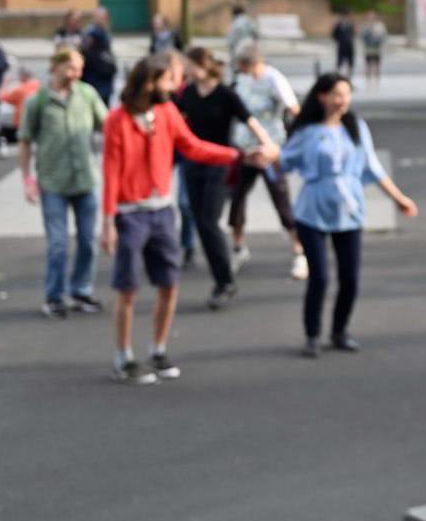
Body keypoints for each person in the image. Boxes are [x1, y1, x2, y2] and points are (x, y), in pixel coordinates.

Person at [100, 52, 271, 385]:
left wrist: (238, 155)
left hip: (162, 212)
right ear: (149, 82)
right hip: (131, 214)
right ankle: (124, 357)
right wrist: (107, 222)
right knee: (128, 288)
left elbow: (192, 146)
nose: (176, 86)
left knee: (169, 283)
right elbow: (110, 172)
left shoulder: (167, 113)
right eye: (168, 80)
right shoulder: (117, 120)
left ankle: (158, 350)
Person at [279, 72, 417, 357]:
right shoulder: (307, 131)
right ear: (322, 96)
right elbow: (284, 160)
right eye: (336, 94)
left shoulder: (355, 126)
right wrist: (264, 157)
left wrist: (399, 199)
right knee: (319, 278)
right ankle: (312, 334)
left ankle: (340, 330)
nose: (342, 100)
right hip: (313, 208)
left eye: (346, 94)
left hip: (348, 208)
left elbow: (373, 166)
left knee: (350, 278)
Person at [174, 47, 277, 309]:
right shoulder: (187, 93)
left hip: (220, 164)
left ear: (202, 65)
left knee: (209, 221)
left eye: (188, 65)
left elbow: (250, 120)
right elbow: (171, 118)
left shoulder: (225, 94)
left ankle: (225, 282)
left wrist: (268, 146)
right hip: (192, 163)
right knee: (200, 222)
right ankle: (222, 278)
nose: (185, 70)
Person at [18, 48, 108, 318]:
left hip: (85, 180)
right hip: (52, 182)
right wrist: (28, 180)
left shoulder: (87, 94)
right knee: (58, 244)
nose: (76, 74)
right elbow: (25, 141)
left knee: (88, 241)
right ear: (55, 67)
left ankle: (81, 290)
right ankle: (54, 296)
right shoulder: (38, 101)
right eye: (71, 68)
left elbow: (108, 125)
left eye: (79, 68)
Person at [228, 42, 306, 281]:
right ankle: (239, 248)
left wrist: (299, 139)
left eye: (242, 64)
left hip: (269, 148)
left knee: (280, 197)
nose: (239, 69)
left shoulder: (273, 79)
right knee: (237, 197)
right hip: (244, 148)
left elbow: (294, 109)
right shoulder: (241, 80)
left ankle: (299, 252)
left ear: (252, 62)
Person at [80, 7, 117, 106]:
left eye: (102, 17)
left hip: (104, 74)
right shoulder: (90, 32)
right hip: (92, 74)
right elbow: (84, 50)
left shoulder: (106, 32)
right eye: (98, 16)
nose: (100, 19)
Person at [0, 67, 42, 145]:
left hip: (22, 125)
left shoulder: (20, 90)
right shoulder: (40, 87)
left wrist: (6, 83)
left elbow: (1, 96)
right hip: (38, 125)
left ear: (23, 76)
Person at [360, 11, 387, 88]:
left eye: (372, 17)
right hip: (368, 49)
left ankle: (377, 83)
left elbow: (383, 36)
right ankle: (368, 83)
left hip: (377, 49)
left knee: (377, 66)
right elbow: (362, 36)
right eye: (369, 17)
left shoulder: (380, 26)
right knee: (368, 66)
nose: (370, 18)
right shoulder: (364, 26)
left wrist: (377, 38)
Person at [332, 8, 357, 77]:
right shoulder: (339, 25)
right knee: (339, 63)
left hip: (349, 46)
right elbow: (334, 35)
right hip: (342, 46)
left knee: (350, 64)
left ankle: (349, 79)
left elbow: (354, 34)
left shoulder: (351, 24)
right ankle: (336, 78)